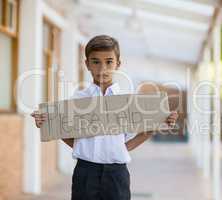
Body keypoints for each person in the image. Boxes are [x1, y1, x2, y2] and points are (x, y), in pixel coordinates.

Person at [31, 35, 178, 200]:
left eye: (109, 62)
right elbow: (62, 130)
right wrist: (47, 123)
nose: (102, 69)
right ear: (87, 64)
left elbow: (145, 131)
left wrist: (163, 119)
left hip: (117, 175)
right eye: (96, 62)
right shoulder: (78, 99)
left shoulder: (128, 100)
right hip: (85, 173)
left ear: (118, 64)